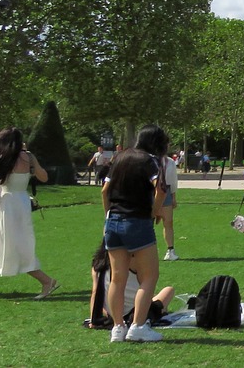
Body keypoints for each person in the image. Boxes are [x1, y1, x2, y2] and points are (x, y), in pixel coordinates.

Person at [101, 124, 169, 342]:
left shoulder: (120, 158)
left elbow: (105, 190)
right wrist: (155, 211)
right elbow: (160, 188)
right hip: (137, 220)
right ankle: (138, 326)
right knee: (149, 276)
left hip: (113, 220)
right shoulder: (150, 161)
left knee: (117, 278)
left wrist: (108, 215)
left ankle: (117, 327)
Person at [0, 128, 59, 300]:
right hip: (21, 201)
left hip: (7, 202)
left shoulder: (4, 159)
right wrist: (30, 167)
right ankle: (46, 281)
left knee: (12, 244)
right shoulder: (28, 157)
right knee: (15, 243)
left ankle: (47, 280)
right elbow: (44, 177)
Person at [87, 242, 174, 330]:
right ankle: (156, 312)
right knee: (168, 290)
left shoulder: (97, 264)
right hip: (133, 313)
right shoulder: (132, 261)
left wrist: (93, 319)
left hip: (112, 313)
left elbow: (95, 293)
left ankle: (118, 322)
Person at [158, 150, 179, 261]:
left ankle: (170, 250)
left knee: (168, 221)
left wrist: (174, 197)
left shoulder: (170, 162)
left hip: (166, 190)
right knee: (147, 222)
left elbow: (173, 181)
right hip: (152, 190)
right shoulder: (149, 160)